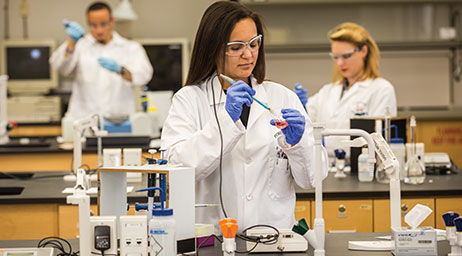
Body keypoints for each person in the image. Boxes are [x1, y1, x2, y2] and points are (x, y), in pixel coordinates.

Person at [161, 1, 325, 233]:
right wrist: (226, 121)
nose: (248, 54)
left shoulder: (281, 98)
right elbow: (177, 170)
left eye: (253, 43)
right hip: (211, 238)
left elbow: (312, 180)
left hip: (272, 239)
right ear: (212, 48)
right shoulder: (189, 100)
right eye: (236, 46)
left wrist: (299, 144)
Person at [295, 22, 397, 156]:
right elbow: (307, 124)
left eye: (346, 56)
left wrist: (326, 144)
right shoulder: (328, 91)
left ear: (364, 51)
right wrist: (299, 106)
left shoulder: (381, 89)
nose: (340, 63)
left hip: (362, 170)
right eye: (336, 57)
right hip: (326, 170)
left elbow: (378, 142)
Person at [50, 1, 153, 119]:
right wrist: (72, 42)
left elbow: (144, 76)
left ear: (112, 21)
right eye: (93, 25)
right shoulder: (79, 45)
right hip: (84, 119)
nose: (99, 30)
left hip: (119, 120)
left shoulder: (130, 47)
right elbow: (59, 66)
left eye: (103, 24)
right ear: (87, 23)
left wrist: (121, 70)